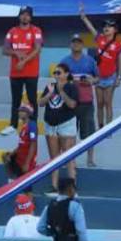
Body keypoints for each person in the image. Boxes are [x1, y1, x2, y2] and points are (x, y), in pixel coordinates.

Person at [78, 7, 121, 131]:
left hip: (110, 78)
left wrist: (119, 77)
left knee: (108, 102)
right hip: (98, 77)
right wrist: (84, 18)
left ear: (115, 30)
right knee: (99, 103)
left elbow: (120, 61)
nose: (106, 28)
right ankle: (100, 128)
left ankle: (108, 130)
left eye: (109, 26)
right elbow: (91, 29)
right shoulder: (100, 39)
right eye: (105, 26)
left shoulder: (118, 45)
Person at [2, 6, 43, 135]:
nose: (25, 17)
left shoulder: (36, 30)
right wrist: (16, 53)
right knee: (15, 99)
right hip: (15, 72)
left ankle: (33, 125)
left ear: (30, 17)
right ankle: (13, 125)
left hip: (31, 71)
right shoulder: (12, 31)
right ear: (19, 16)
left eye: (27, 15)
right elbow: (4, 50)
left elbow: (37, 49)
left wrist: (23, 61)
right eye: (22, 14)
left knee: (32, 99)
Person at [60, 35, 99, 167]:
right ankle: (69, 160)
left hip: (86, 102)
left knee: (89, 132)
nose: (76, 45)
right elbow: (59, 78)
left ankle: (90, 159)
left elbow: (98, 78)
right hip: (70, 102)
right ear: (70, 45)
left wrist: (91, 81)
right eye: (74, 42)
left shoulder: (90, 61)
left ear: (82, 45)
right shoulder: (64, 62)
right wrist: (70, 82)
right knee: (69, 133)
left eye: (78, 42)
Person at [41, 63, 79, 193]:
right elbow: (40, 103)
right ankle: (54, 186)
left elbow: (72, 104)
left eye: (59, 73)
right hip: (51, 125)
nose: (56, 75)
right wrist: (49, 94)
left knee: (69, 156)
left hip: (66, 124)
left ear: (66, 74)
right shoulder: (50, 86)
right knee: (54, 158)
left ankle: (72, 186)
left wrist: (61, 91)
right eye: (55, 73)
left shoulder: (71, 87)